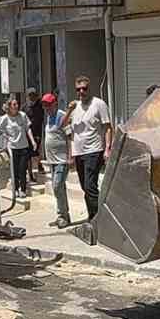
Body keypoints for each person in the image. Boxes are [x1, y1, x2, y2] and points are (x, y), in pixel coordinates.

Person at [67, 76, 113, 221]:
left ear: (89, 88)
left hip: (94, 150)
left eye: (84, 88)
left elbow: (107, 127)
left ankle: (99, 218)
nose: (81, 92)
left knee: (90, 186)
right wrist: (71, 154)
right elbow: (64, 128)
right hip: (79, 152)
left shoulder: (99, 104)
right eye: (78, 89)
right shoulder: (75, 107)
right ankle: (92, 215)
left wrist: (107, 149)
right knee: (84, 187)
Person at [0, 95, 35, 206]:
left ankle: (23, 190)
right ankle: (15, 189)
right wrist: (5, 136)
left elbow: (28, 129)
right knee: (15, 170)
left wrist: (33, 141)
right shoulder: (5, 119)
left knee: (22, 169)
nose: (16, 106)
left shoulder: (23, 116)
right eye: (14, 104)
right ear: (9, 107)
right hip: (12, 148)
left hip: (23, 146)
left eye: (17, 104)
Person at [40, 93, 72, 228]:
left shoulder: (61, 116)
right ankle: (62, 215)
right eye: (44, 105)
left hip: (62, 159)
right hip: (51, 160)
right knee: (57, 188)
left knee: (57, 185)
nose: (46, 107)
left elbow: (70, 137)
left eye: (48, 104)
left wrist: (71, 157)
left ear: (55, 104)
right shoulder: (47, 118)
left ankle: (63, 215)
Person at [25, 87, 45, 179]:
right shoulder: (25, 107)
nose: (32, 97)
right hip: (28, 133)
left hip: (38, 131)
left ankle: (39, 164)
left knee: (38, 150)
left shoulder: (40, 105)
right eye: (30, 95)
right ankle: (30, 174)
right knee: (28, 154)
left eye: (34, 95)